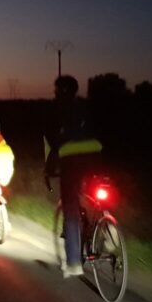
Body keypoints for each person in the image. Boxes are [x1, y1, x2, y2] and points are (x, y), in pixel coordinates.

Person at [44, 75, 102, 278]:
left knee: (70, 210)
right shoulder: (85, 106)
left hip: (71, 159)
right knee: (95, 196)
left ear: (59, 91)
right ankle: (108, 230)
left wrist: (48, 169)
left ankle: (74, 263)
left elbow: (50, 142)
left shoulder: (56, 109)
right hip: (94, 154)